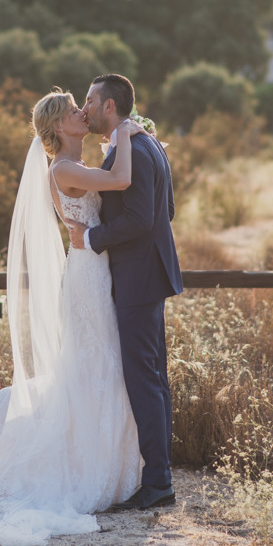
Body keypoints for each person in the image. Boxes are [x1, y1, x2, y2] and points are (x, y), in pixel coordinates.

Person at [0, 89, 147, 546]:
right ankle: (93, 465)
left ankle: (111, 459)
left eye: (84, 107)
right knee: (95, 363)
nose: (83, 113)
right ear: (60, 127)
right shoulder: (63, 168)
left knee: (97, 363)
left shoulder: (75, 165)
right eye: (74, 111)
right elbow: (121, 179)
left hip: (92, 267)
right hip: (87, 278)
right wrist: (125, 131)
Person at [66, 73, 183, 511]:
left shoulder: (132, 147)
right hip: (148, 275)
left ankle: (157, 483)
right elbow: (165, 210)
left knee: (143, 379)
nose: (87, 108)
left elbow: (139, 219)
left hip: (137, 278)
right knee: (153, 378)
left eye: (91, 101)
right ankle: (159, 476)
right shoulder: (143, 144)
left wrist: (92, 240)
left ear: (109, 107)